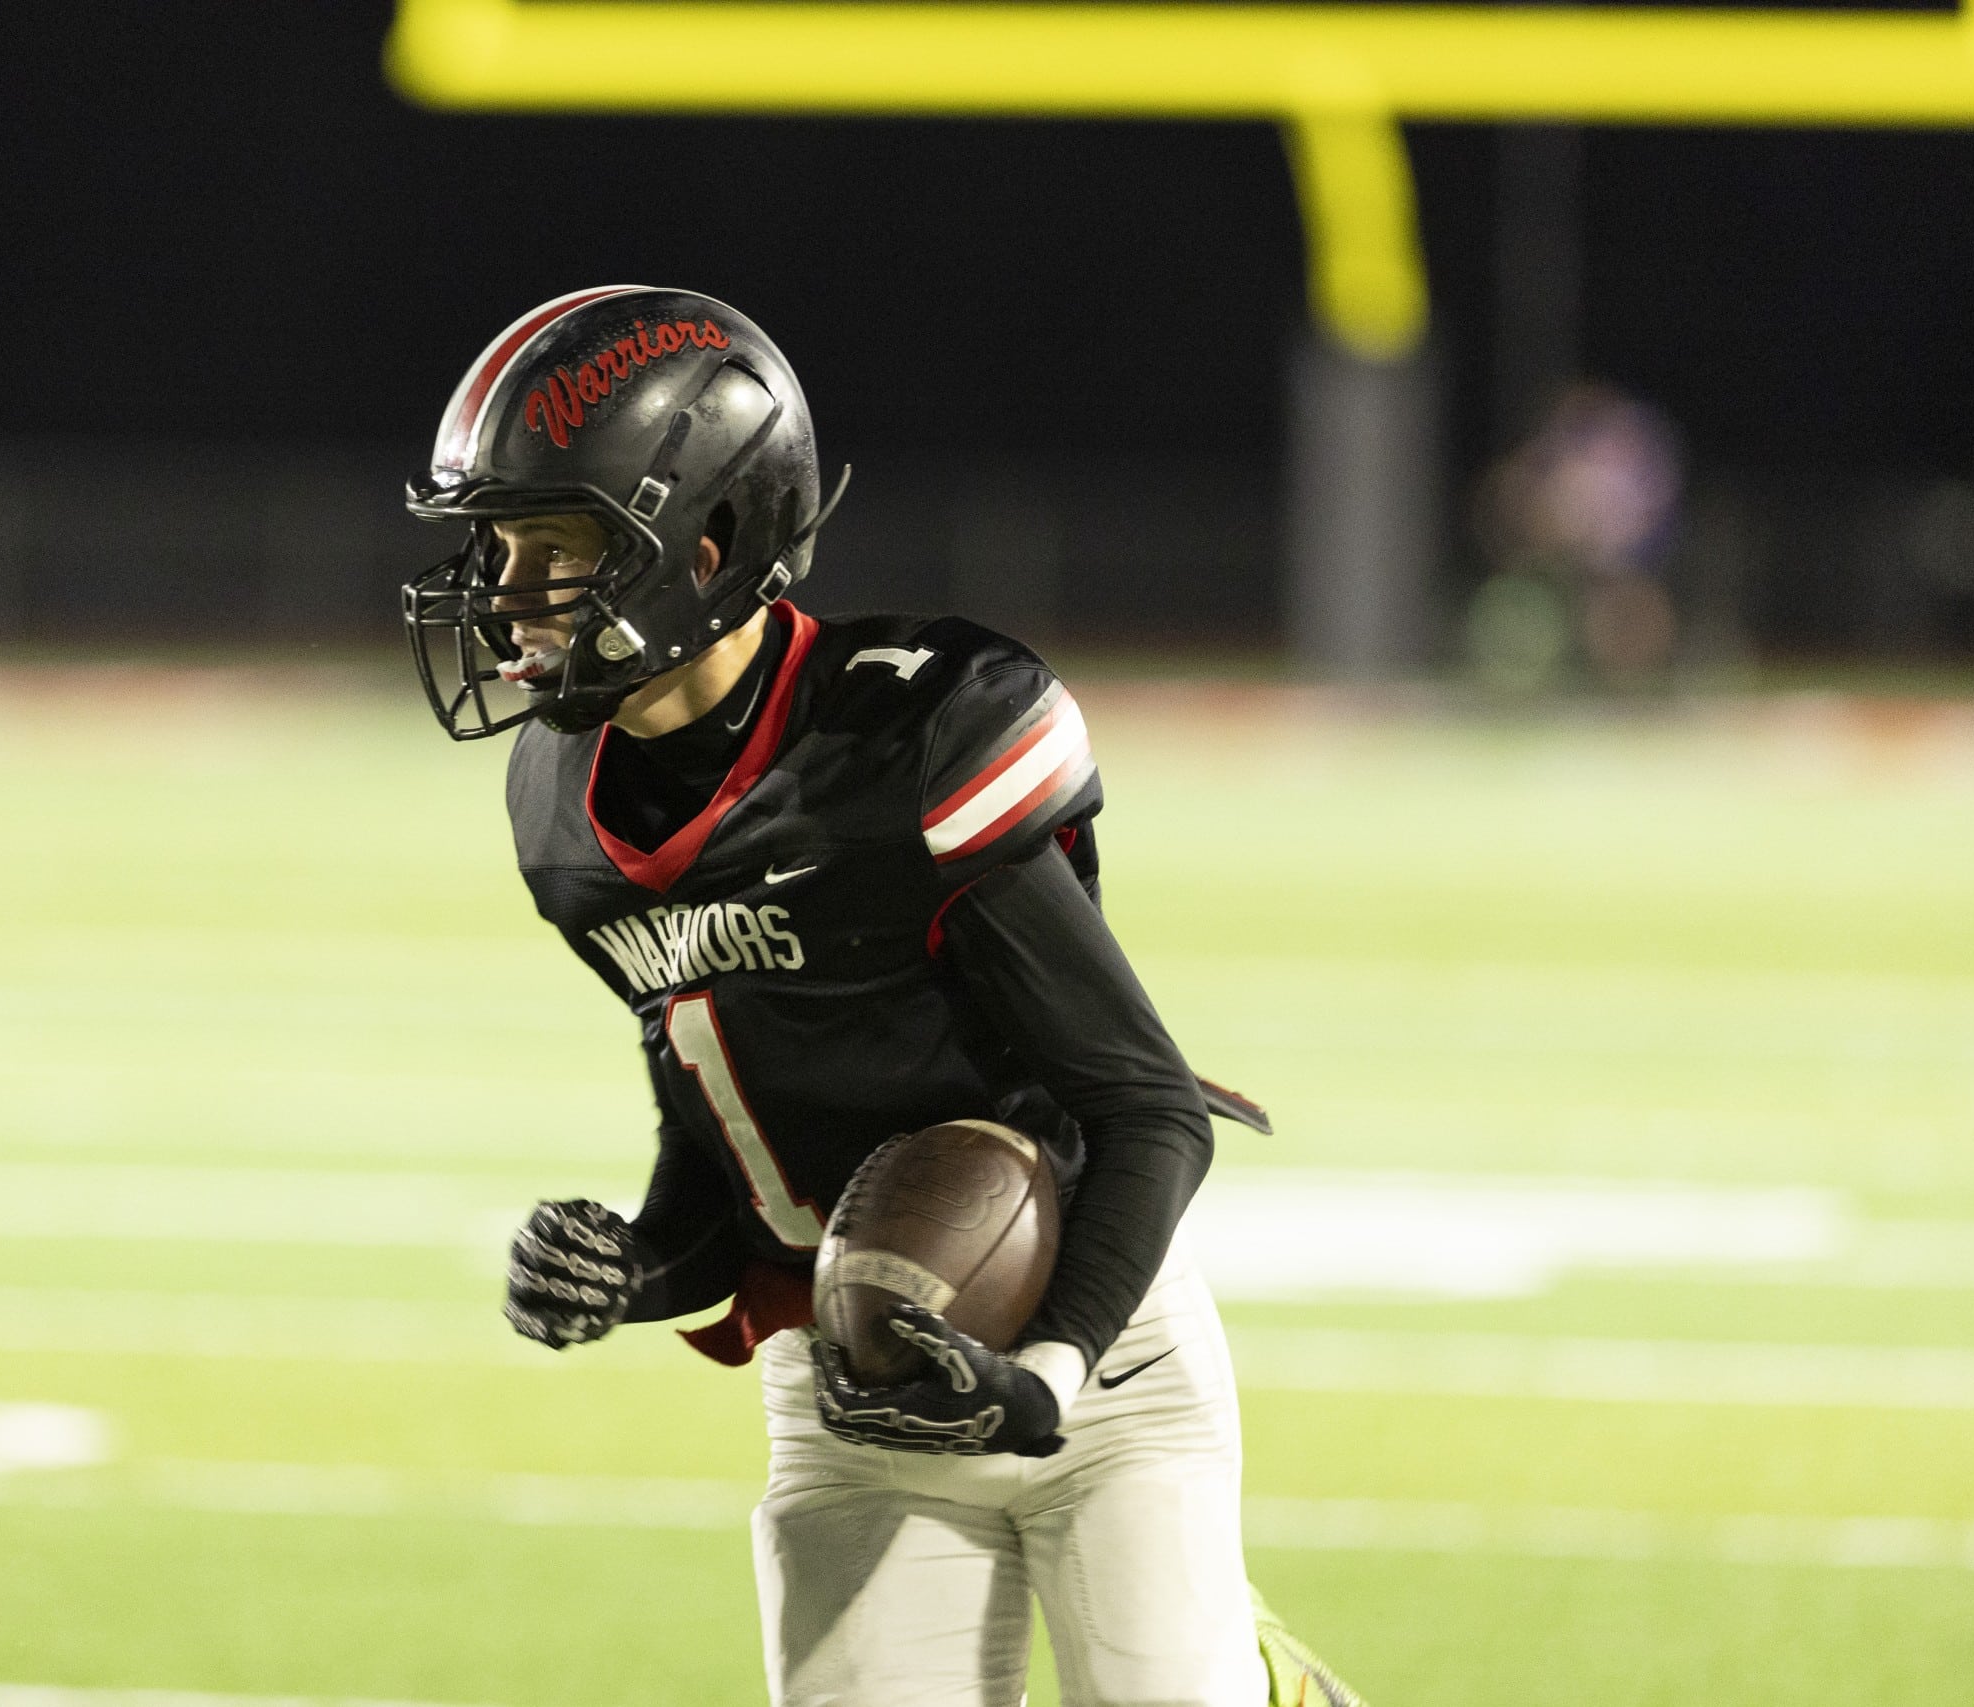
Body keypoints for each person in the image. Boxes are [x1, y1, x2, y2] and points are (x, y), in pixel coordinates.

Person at [401, 286, 1366, 1707]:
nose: (506, 593)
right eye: (499, 548)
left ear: (706, 546)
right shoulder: (562, 804)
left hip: (1097, 1363)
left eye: (557, 547)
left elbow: (1149, 1109)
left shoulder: (908, 732)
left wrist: (1046, 1373)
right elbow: (731, 1149)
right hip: (846, 1380)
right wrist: (633, 1269)